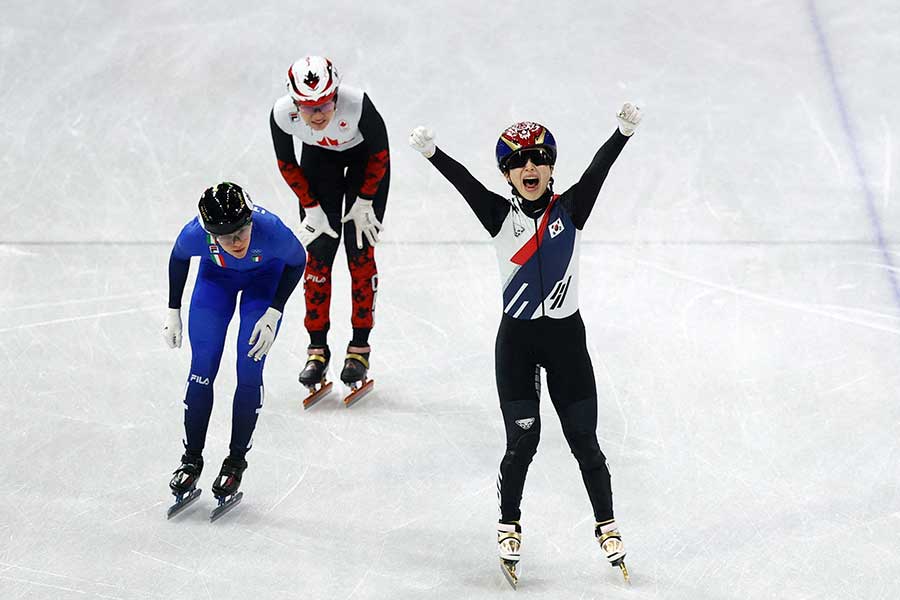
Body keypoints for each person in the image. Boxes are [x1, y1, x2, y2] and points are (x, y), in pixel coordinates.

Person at [408, 103, 642, 585]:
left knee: (585, 443)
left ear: (552, 166)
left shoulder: (571, 210)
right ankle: (509, 522)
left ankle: (607, 524)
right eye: (518, 162)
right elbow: (465, 185)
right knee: (524, 441)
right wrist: (434, 154)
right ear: (507, 174)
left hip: (566, 342)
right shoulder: (498, 215)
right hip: (516, 343)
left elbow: (599, 171)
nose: (529, 167)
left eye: (537, 158)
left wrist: (621, 133)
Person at [162, 182, 306, 517]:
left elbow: (297, 261)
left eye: (241, 232)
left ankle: (235, 461)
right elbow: (179, 257)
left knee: (248, 368)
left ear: (250, 221)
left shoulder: (272, 231)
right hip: (215, 284)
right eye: (226, 238)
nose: (237, 243)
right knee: (202, 368)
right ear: (210, 234)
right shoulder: (194, 233)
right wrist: (173, 310)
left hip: (263, 284)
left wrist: (275, 309)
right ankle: (191, 459)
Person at [269, 55, 390, 398]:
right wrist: (311, 207)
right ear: (294, 103)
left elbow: (380, 155)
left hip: (366, 163)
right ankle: (317, 349)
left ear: (336, 93)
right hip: (320, 163)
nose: (318, 114)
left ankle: (360, 349)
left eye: (324, 103)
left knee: (360, 252)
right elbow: (287, 163)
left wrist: (365, 200)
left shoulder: (358, 104)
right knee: (319, 255)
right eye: (308, 108)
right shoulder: (281, 114)